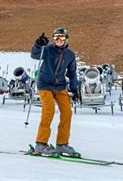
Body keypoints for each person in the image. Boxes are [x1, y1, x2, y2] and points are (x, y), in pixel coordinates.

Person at [31, 28, 80, 157]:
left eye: (61, 37)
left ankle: (62, 144)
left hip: (60, 86)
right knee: (49, 111)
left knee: (67, 112)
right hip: (45, 84)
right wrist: (38, 44)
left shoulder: (70, 55)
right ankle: (41, 144)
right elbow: (35, 55)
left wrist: (75, 89)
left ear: (66, 39)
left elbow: (72, 73)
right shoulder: (47, 50)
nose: (58, 40)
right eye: (56, 37)